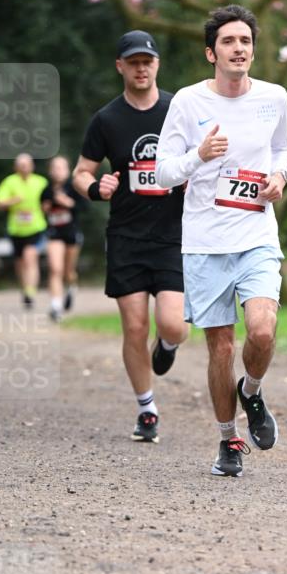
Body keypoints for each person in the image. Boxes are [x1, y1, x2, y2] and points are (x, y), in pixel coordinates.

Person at [156, 4, 287, 477]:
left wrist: (279, 176)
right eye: (229, 41)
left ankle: (251, 391)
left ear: (253, 50)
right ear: (210, 53)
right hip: (205, 242)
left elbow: (282, 147)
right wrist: (198, 155)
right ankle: (227, 440)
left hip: (256, 234)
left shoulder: (274, 97)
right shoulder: (188, 102)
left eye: (245, 41)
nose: (239, 49)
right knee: (221, 349)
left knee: (262, 330)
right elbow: (163, 171)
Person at [73, 30, 188, 444]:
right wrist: (95, 187)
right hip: (126, 236)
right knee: (135, 327)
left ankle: (168, 346)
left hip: (174, 234)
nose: (141, 69)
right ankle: (147, 409)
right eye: (133, 62)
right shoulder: (107, 119)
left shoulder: (179, 110)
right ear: (120, 66)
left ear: (157, 64)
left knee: (174, 325)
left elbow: (205, 157)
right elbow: (81, 171)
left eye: (147, 61)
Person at [0, 153, 48, 308]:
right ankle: (25, 288)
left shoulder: (41, 182)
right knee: (20, 262)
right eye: (21, 165)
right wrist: (13, 201)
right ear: (15, 167)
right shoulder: (9, 182)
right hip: (16, 229)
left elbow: (49, 202)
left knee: (30, 257)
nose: (24, 168)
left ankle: (30, 292)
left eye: (26, 164)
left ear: (32, 166)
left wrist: (46, 207)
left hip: (36, 227)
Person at [41, 155, 84, 322]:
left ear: (68, 170)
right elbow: (42, 210)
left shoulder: (74, 188)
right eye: (55, 168)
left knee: (68, 272)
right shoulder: (46, 190)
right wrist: (45, 208)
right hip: (54, 233)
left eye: (61, 168)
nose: (58, 171)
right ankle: (56, 306)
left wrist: (68, 203)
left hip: (71, 233)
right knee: (55, 269)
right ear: (50, 171)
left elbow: (85, 208)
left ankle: (71, 287)